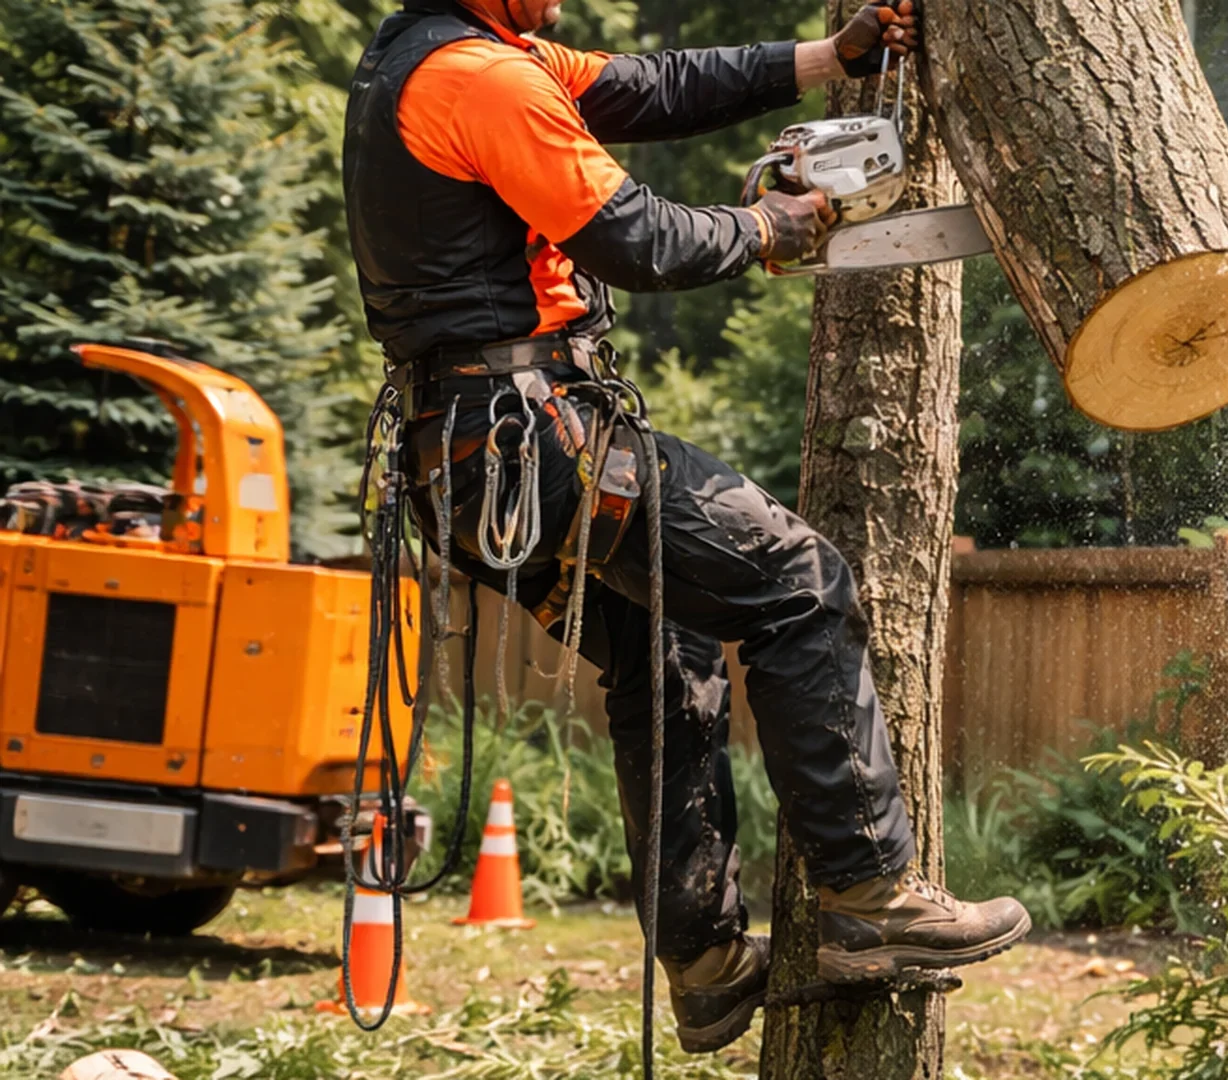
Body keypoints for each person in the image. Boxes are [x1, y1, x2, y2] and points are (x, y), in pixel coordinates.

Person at [341, 0, 1030, 1055]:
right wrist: (764, 229)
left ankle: (706, 963)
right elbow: (638, 239)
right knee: (799, 581)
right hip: (533, 440)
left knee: (667, 652)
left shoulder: (438, 61)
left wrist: (826, 57)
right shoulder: (484, 80)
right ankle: (872, 899)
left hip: (464, 461)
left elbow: (651, 87)